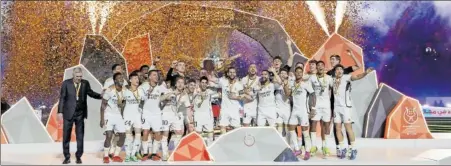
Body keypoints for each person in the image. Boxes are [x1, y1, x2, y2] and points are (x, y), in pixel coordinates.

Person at [58, 67, 103, 164]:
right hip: (68, 113)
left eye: (80, 76)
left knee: (80, 136)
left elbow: (90, 93)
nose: (79, 78)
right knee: (66, 136)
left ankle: (79, 156)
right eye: (77, 76)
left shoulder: (85, 83)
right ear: (73, 75)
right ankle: (67, 157)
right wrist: (60, 112)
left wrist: (100, 96)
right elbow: (62, 98)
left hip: (80, 114)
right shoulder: (66, 83)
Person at [333, 65, 373, 160]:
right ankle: (342, 148)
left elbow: (357, 77)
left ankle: (353, 148)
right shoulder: (333, 80)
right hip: (336, 108)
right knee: (338, 129)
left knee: (348, 128)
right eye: (337, 69)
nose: (339, 71)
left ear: (343, 71)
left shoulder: (347, 78)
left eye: (340, 69)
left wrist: (365, 73)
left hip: (346, 108)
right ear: (335, 71)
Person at [325, 50, 361, 157]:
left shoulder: (345, 72)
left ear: (339, 61)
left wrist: (352, 55)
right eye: (330, 60)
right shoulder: (329, 74)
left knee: (347, 127)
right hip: (334, 103)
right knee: (337, 127)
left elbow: (358, 67)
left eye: (333, 60)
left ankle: (352, 148)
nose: (331, 61)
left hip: (344, 103)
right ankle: (340, 148)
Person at [285, 67, 316, 160]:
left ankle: (307, 151)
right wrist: (285, 85)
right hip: (294, 110)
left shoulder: (305, 84)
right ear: (294, 73)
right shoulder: (292, 84)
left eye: (300, 72)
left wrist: (313, 109)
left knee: (305, 132)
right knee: (291, 128)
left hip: (303, 111)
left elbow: (313, 95)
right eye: (297, 72)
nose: (298, 73)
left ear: (302, 74)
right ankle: (297, 149)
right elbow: (288, 94)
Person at [160, 77, 189, 161]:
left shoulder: (185, 95)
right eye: (178, 82)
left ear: (184, 85)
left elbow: (187, 107)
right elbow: (160, 99)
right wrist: (172, 94)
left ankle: (175, 153)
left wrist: (189, 121)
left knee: (179, 133)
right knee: (165, 134)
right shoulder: (169, 90)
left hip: (175, 115)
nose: (180, 84)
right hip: (166, 114)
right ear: (175, 84)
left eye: (182, 83)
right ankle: (165, 154)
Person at [140, 70, 167, 161]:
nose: (156, 77)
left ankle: (154, 153)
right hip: (146, 113)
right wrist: (148, 92)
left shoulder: (161, 87)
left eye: (157, 75)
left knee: (158, 133)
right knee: (145, 132)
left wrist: (166, 99)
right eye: (154, 75)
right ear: (150, 77)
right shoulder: (144, 86)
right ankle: (145, 153)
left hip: (157, 114)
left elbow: (167, 95)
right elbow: (141, 97)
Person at [308, 61, 334, 157]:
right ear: (316, 68)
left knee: (326, 126)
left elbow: (335, 88)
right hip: (316, 106)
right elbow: (310, 93)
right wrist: (311, 107)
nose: (320, 67)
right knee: (313, 125)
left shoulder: (329, 78)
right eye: (318, 65)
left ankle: (325, 146)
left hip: (326, 106)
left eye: (321, 65)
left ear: (324, 67)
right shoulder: (312, 78)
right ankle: (314, 146)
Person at [100, 73, 127, 163]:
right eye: (119, 78)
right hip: (109, 115)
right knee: (109, 135)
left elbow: (123, 103)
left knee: (123, 135)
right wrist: (102, 119)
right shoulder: (109, 90)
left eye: (122, 78)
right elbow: (103, 105)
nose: (121, 80)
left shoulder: (124, 90)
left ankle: (116, 155)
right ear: (115, 80)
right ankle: (106, 156)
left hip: (118, 116)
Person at [211, 67, 244, 135]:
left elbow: (242, 97)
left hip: (234, 110)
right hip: (224, 109)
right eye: (230, 72)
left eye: (233, 72)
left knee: (236, 129)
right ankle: (224, 143)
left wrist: (236, 97)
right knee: (222, 127)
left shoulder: (239, 85)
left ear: (235, 73)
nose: (232, 74)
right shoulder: (223, 81)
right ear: (228, 73)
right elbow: (212, 80)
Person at [123, 72, 145, 162]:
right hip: (127, 115)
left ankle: (133, 154)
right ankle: (128, 155)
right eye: (135, 78)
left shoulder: (141, 90)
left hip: (137, 115)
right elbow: (121, 103)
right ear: (130, 80)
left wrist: (141, 111)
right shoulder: (125, 91)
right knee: (128, 135)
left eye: (138, 78)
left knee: (138, 135)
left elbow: (143, 102)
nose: (137, 80)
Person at [193, 76, 219, 146]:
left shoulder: (209, 91)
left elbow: (219, 89)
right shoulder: (195, 92)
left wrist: (212, 84)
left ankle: (209, 152)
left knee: (210, 136)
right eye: (202, 82)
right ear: (199, 83)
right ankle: (199, 151)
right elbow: (198, 104)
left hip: (208, 117)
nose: (204, 84)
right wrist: (201, 96)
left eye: (205, 83)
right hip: (198, 116)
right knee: (198, 136)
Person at [275, 68, 291, 139]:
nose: (283, 74)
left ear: (287, 75)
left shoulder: (290, 83)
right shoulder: (276, 84)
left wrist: (285, 84)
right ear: (279, 75)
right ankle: (280, 146)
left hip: (286, 109)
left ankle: (289, 145)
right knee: (279, 128)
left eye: (284, 73)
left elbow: (287, 94)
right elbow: (278, 82)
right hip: (278, 109)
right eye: (281, 73)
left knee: (287, 129)